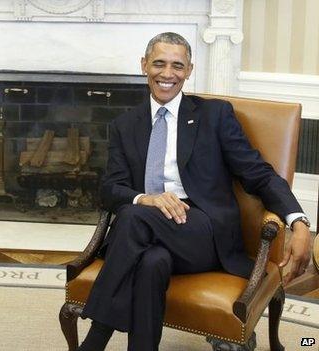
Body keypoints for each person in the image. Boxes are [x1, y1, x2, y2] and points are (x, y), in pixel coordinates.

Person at [77, 32, 312, 351]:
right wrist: (146, 198)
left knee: (132, 218)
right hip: (147, 233)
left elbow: (257, 173)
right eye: (159, 63)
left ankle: (94, 341)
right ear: (144, 65)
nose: (167, 73)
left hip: (203, 232)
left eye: (177, 65)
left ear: (189, 70)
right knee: (151, 262)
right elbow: (110, 188)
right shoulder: (125, 124)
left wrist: (298, 221)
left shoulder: (214, 115)